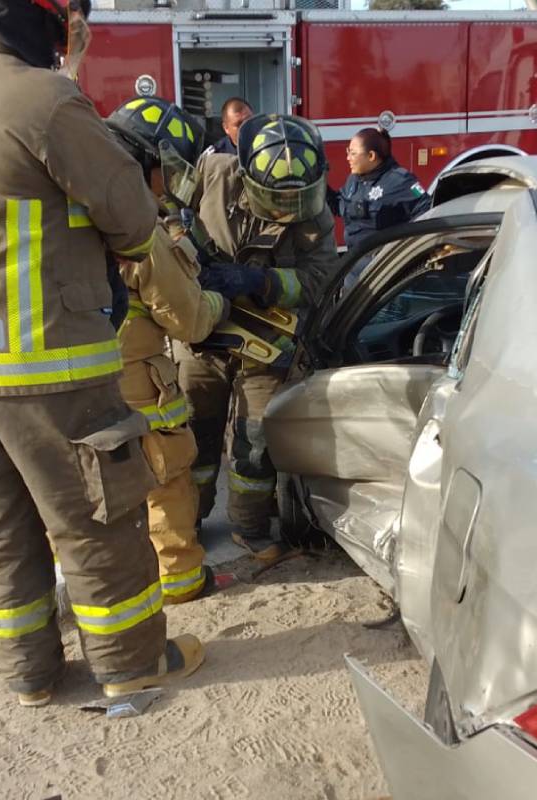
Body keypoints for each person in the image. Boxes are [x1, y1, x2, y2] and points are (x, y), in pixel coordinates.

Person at [0, 0, 204, 707]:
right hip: (41, 362)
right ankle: (132, 665)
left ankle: (30, 676)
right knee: (94, 521)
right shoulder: (42, 97)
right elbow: (129, 216)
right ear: (40, 23)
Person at [176, 114, 340, 563]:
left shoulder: (315, 216)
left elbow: (319, 280)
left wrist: (260, 281)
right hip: (202, 337)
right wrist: (180, 247)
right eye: (277, 199)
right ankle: (185, 520)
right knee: (193, 435)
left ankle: (249, 527)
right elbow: (157, 198)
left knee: (255, 441)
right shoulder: (213, 174)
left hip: (268, 343)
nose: (288, 209)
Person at [105, 96, 230, 604]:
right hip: (135, 379)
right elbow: (190, 320)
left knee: (92, 488)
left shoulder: (62, 206)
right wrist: (219, 296)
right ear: (148, 163)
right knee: (165, 479)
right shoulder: (138, 225)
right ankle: (180, 585)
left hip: (67, 378)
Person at [330, 127, 431, 257]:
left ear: (371, 156)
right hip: (353, 263)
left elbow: (427, 211)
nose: (348, 158)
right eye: (348, 152)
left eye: (353, 153)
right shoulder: (354, 180)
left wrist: (401, 249)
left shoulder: (401, 181)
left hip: (381, 267)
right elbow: (340, 206)